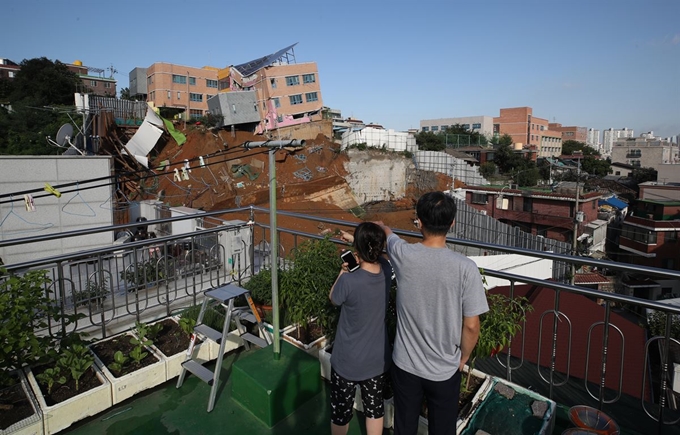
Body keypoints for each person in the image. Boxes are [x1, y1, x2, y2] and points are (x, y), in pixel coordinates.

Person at [378, 191, 489, 435]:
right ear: (452, 223)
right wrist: (462, 359)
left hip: (405, 365)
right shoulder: (466, 268)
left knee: (404, 426)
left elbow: (389, 236)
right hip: (444, 370)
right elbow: (471, 326)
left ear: (419, 222)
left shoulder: (404, 254)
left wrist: (384, 227)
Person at [329, 222, 392, 435]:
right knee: (374, 410)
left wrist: (342, 271)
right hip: (376, 361)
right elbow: (381, 257)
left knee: (341, 412)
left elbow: (334, 298)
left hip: (346, 360)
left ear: (357, 252)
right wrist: (361, 245)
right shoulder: (386, 270)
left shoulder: (349, 281)